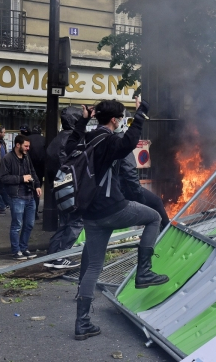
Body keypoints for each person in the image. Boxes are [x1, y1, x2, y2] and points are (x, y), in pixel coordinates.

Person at [65, 97, 168, 341]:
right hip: (112, 208)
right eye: (121, 118)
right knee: (153, 218)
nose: (122, 122)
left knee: (93, 267)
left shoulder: (90, 138)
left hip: (90, 213)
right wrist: (141, 110)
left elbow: (68, 148)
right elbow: (129, 142)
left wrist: (82, 122)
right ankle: (144, 272)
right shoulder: (110, 140)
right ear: (114, 120)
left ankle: (82, 324)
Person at [44, 106, 85, 269]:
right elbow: (73, 167)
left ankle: (53, 255)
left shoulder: (56, 139)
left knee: (65, 223)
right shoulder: (72, 140)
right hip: (70, 188)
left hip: (58, 188)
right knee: (76, 222)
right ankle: (62, 255)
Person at [115, 115, 170, 231]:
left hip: (112, 189)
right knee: (156, 203)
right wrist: (138, 193)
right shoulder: (122, 143)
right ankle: (167, 231)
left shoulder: (106, 139)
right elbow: (129, 171)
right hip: (124, 188)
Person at [0, 134, 41, 260]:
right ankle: (16, 250)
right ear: (18, 145)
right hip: (16, 195)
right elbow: (4, 178)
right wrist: (21, 178)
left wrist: (37, 185)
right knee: (17, 224)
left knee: (29, 224)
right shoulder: (7, 158)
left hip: (29, 194)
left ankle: (23, 248)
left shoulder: (26, 157)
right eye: (26, 146)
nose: (28, 148)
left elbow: (32, 171)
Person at [27, 125, 45, 219]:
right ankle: (35, 212)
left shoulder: (27, 139)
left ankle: (27, 212)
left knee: (27, 190)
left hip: (27, 168)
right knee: (37, 191)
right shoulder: (44, 139)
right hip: (40, 169)